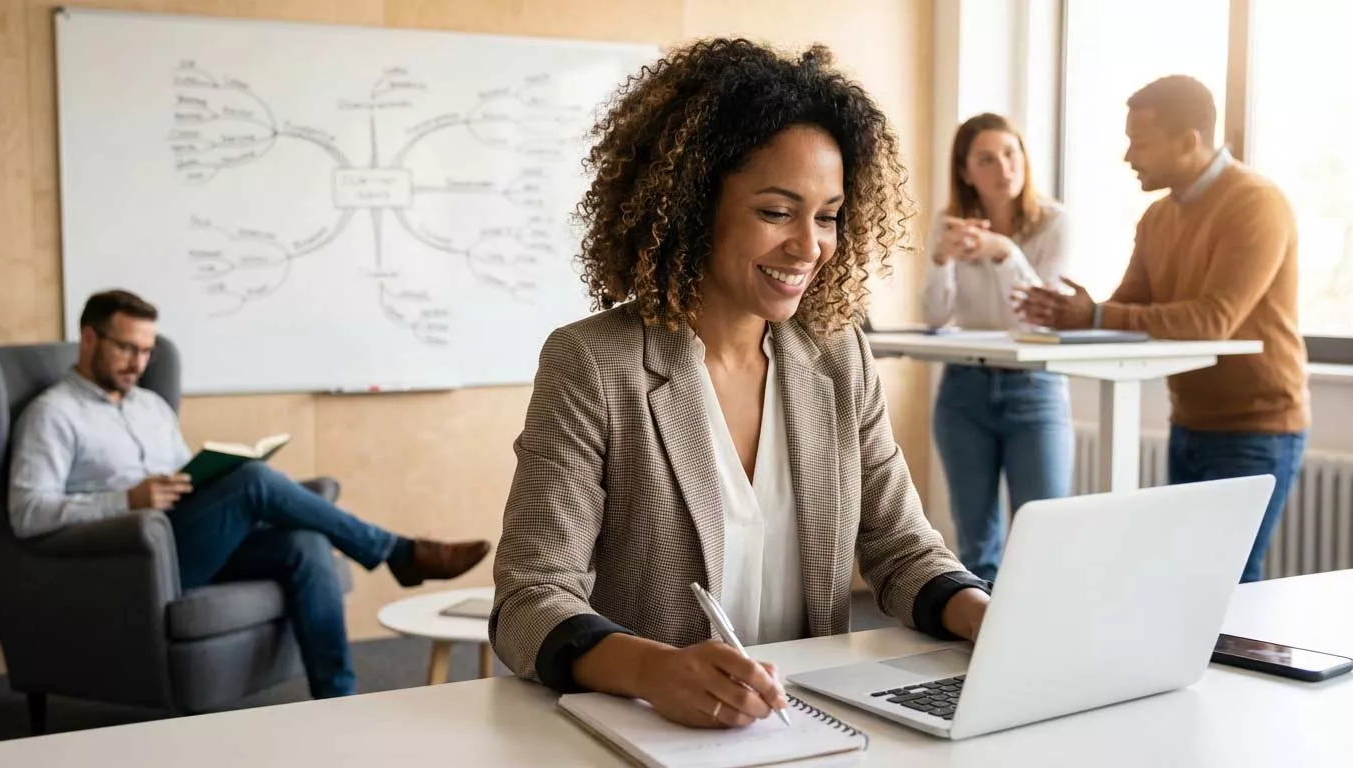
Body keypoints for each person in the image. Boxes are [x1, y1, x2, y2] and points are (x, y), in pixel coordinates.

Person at [490, 38, 990, 730]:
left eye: (828, 215)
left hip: (813, 726)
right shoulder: (594, 364)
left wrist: (989, 618)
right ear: (695, 204)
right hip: (659, 730)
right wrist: (653, 669)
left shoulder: (838, 356)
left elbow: (901, 550)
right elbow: (530, 597)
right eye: (776, 212)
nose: (809, 246)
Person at [9, 289, 492, 698]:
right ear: (89, 338)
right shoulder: (53, 415)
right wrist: (125, 501)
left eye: (147, 351)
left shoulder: (151, 407)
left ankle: (338, 699)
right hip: (133, 561)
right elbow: (27, 513)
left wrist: (200, 478)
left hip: (189, 539)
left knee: (305, 545)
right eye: (126, 349)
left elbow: (180, 478)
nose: (139, 363)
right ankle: (398, 551)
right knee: (256, 483)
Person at [1016, 75, 1309, 582]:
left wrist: (1100, 316)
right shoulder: (1155, 217)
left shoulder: (1256, 204)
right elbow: (1128, 305)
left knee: (1228, 584)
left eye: (1141, 142)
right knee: (1190, 583)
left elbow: (1212, 321)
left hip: (1257, 426)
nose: (1129, 156)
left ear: (1190, 141)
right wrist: (1078, 312)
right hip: (1190, 420)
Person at [923, 113, 1074, 582]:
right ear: (966, 171)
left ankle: (1044, 647)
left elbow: (1039, 314)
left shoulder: (1055, 223)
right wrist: (942, 258)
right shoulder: (947, 223)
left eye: (1011, 154)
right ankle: (980, 646)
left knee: (1044, 540)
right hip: (964, 388)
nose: (1003, 167)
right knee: (975, 545)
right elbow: (934, 315)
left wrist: (1003, 251)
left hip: (1035, 388)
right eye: (986, 159)